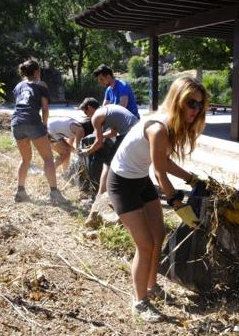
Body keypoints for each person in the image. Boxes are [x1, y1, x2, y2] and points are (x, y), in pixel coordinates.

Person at [107, 77, 209, 322]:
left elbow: (164, 162)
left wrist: (193, 179)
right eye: (191, 103)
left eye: (201, 105)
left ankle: (151, 286)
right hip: (121, 184)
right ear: (178, 101)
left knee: (159, 234)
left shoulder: (171, 127)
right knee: (145, 245)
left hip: (140, 180)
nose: (196, 110)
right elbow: (160, 172)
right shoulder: (158, 128)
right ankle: (140, 301)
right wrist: (176, 201)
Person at [11, 59, 66, 204]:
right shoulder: (41, 85)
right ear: (37, 72)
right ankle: (54, 193)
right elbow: (45, 108)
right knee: (48, 158)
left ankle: (20, 191)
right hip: (33, 121)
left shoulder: (18, 86)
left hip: (16, 123)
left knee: (25, 159)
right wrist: (44, 125)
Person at [79, 97, 139, 195]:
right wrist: (101, 136)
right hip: (138, 130)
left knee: (107, 164)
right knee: (133, 163)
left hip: (128, 134)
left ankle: (100, 195)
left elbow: (98, 143)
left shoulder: (96, 117)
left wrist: (87, 151)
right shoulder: (108, 109)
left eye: (86, 113)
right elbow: (114, 132)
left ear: (89, 108)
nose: (88, 116)